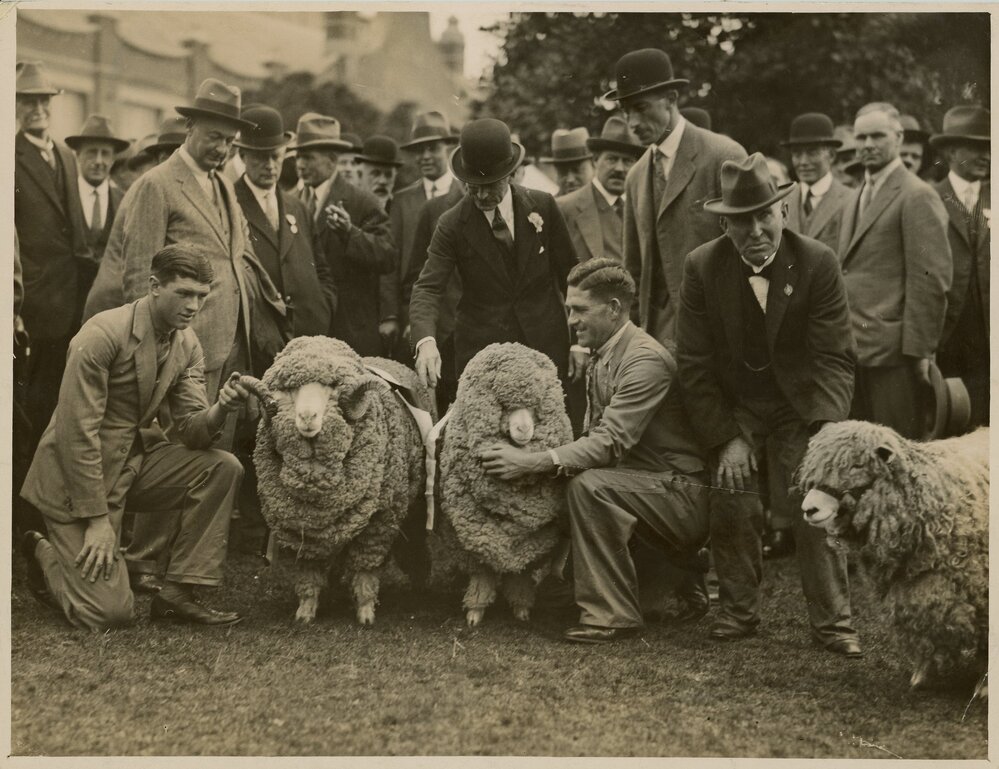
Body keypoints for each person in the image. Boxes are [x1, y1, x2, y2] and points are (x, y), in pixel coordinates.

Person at [677, 153, 861, 656]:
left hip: (802, 405)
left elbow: (835, 359)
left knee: (817, 499)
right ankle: (737, 612)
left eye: (765, 215)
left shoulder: (817, 261)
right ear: (724, 224)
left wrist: (825, 437)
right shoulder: (701, 267)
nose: (756, 230)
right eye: (742, 220)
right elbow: (693, 363)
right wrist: (726, 438)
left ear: (783, 212)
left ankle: (833, 623)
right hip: (738, 405)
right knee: (730, 492)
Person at [20, 245, 250, 630]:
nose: (194, 306)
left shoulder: (187, 343)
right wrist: (97, 521)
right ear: (154, 286)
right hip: (74, 484)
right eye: (184, 293)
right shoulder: (102, 334)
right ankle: (42, 552)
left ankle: (177, 593)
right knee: (108, 614)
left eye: (201, 296)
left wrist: (221, 409)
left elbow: (192, 431)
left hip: (131, 467)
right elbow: (76, 433)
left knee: (221, 467)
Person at [479, 259, 710, 643]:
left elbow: (608, 443)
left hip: (681, 494)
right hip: (641, 486)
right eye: (569, 309)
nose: (570, 319)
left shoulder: (644, 360)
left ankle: (612, 615)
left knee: (587, 486)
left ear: (615, 308)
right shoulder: (604, 352)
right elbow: (593, 435)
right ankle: (674, 578)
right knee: (570, 487)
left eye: (580, 310)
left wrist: (531, 462)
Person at [410, 118, 578, 389]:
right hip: (484, 356)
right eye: (472, 185)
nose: (481, 195)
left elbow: (572, 276)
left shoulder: (543, 206)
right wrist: (425, 341)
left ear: (511, 174)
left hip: (546, 347)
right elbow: (428, 287)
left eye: (491, 184)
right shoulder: (451, 224)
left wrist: (579, 344)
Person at [609, 48, 747, 347]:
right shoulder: (636, 176)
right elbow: (633, 265)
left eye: (641, 108)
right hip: (657, 333)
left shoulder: (724, 156)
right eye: (625, 111)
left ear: (671, 99)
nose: (632, 123)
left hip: (719, 330)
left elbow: (749, 250)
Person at [836, 102, 952, 439]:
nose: (868, 144)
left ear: (898, 137)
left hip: (895, 358)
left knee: (896, 455)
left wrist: (919, 355)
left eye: (877, 135)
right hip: (852, 353)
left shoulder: (917, 196)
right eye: (861, 137)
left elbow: (931, 281)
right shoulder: (854, 197)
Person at [13, 61, 90, 458]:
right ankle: (26, 511)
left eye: (42, 100)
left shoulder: (65, 154)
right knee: (33, 408)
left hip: (70, 304)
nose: (37, 108)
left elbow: (75, 229)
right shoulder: (11, 155)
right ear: (15, 106)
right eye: (27, 101)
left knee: (65, 406)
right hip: (35, 307)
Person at [293, 112, 396, 356]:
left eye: (308, 158)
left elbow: (387, 255)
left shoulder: (362, 202)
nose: (299, 164)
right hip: (309, 334)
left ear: (331, 160)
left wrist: (351, 233)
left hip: (351, 335)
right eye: (298, 156)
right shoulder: (292, 201)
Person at [233, 104, 334, 347]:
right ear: (243, 156)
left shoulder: (296, 206)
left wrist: (325, 305)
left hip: (309, 335)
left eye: (275, 156)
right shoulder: (230, 203)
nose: (270, 165)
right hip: (259, 339)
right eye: (260, 157)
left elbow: (321, 268)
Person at [82, 115, 188, 323]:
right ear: (163, 158)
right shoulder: (150, 190)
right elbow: (141, 273)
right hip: (115, 310)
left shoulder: (165, 190)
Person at [931, 105, 990, 428]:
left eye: (990, 147)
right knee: (952, 425)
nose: (987, 155)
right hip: (947, 338)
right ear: (952, 151)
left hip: (990, 337)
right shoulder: (928, 197)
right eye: (977, 146)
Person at [384, 112, 461, 360]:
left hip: (461, 316)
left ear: (449, 148)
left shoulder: (466, 196)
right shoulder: (402, 200)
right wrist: (392, 315)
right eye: (419, 150)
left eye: (433, 148)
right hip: (415, 316)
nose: (425, 156)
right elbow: (391, 260)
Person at [66, 115, 130, 319]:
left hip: (106, 310)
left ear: (113, 159)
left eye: (105, 154)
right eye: (92, 153)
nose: (99, 161)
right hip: (64, 308)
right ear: (78, 156)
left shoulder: (125, 200)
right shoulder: (63, 196)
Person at [557, 116, 644, 263]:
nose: (619, 168)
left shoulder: (643, 207)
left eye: (627, 161)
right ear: (595, 160)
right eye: (612, 159)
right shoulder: (563, 208)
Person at [781, 112, 852, 253]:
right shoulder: (783, 200)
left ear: (831, 155)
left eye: (812, 153)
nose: (803, 162)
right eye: (796, 154)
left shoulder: (851, 200)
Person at [541, 127, 595, 197]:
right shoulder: (550, 207)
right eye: (563, 172)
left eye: (577, 170)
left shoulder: (609, 204)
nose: (570, 180)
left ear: (594, 166)